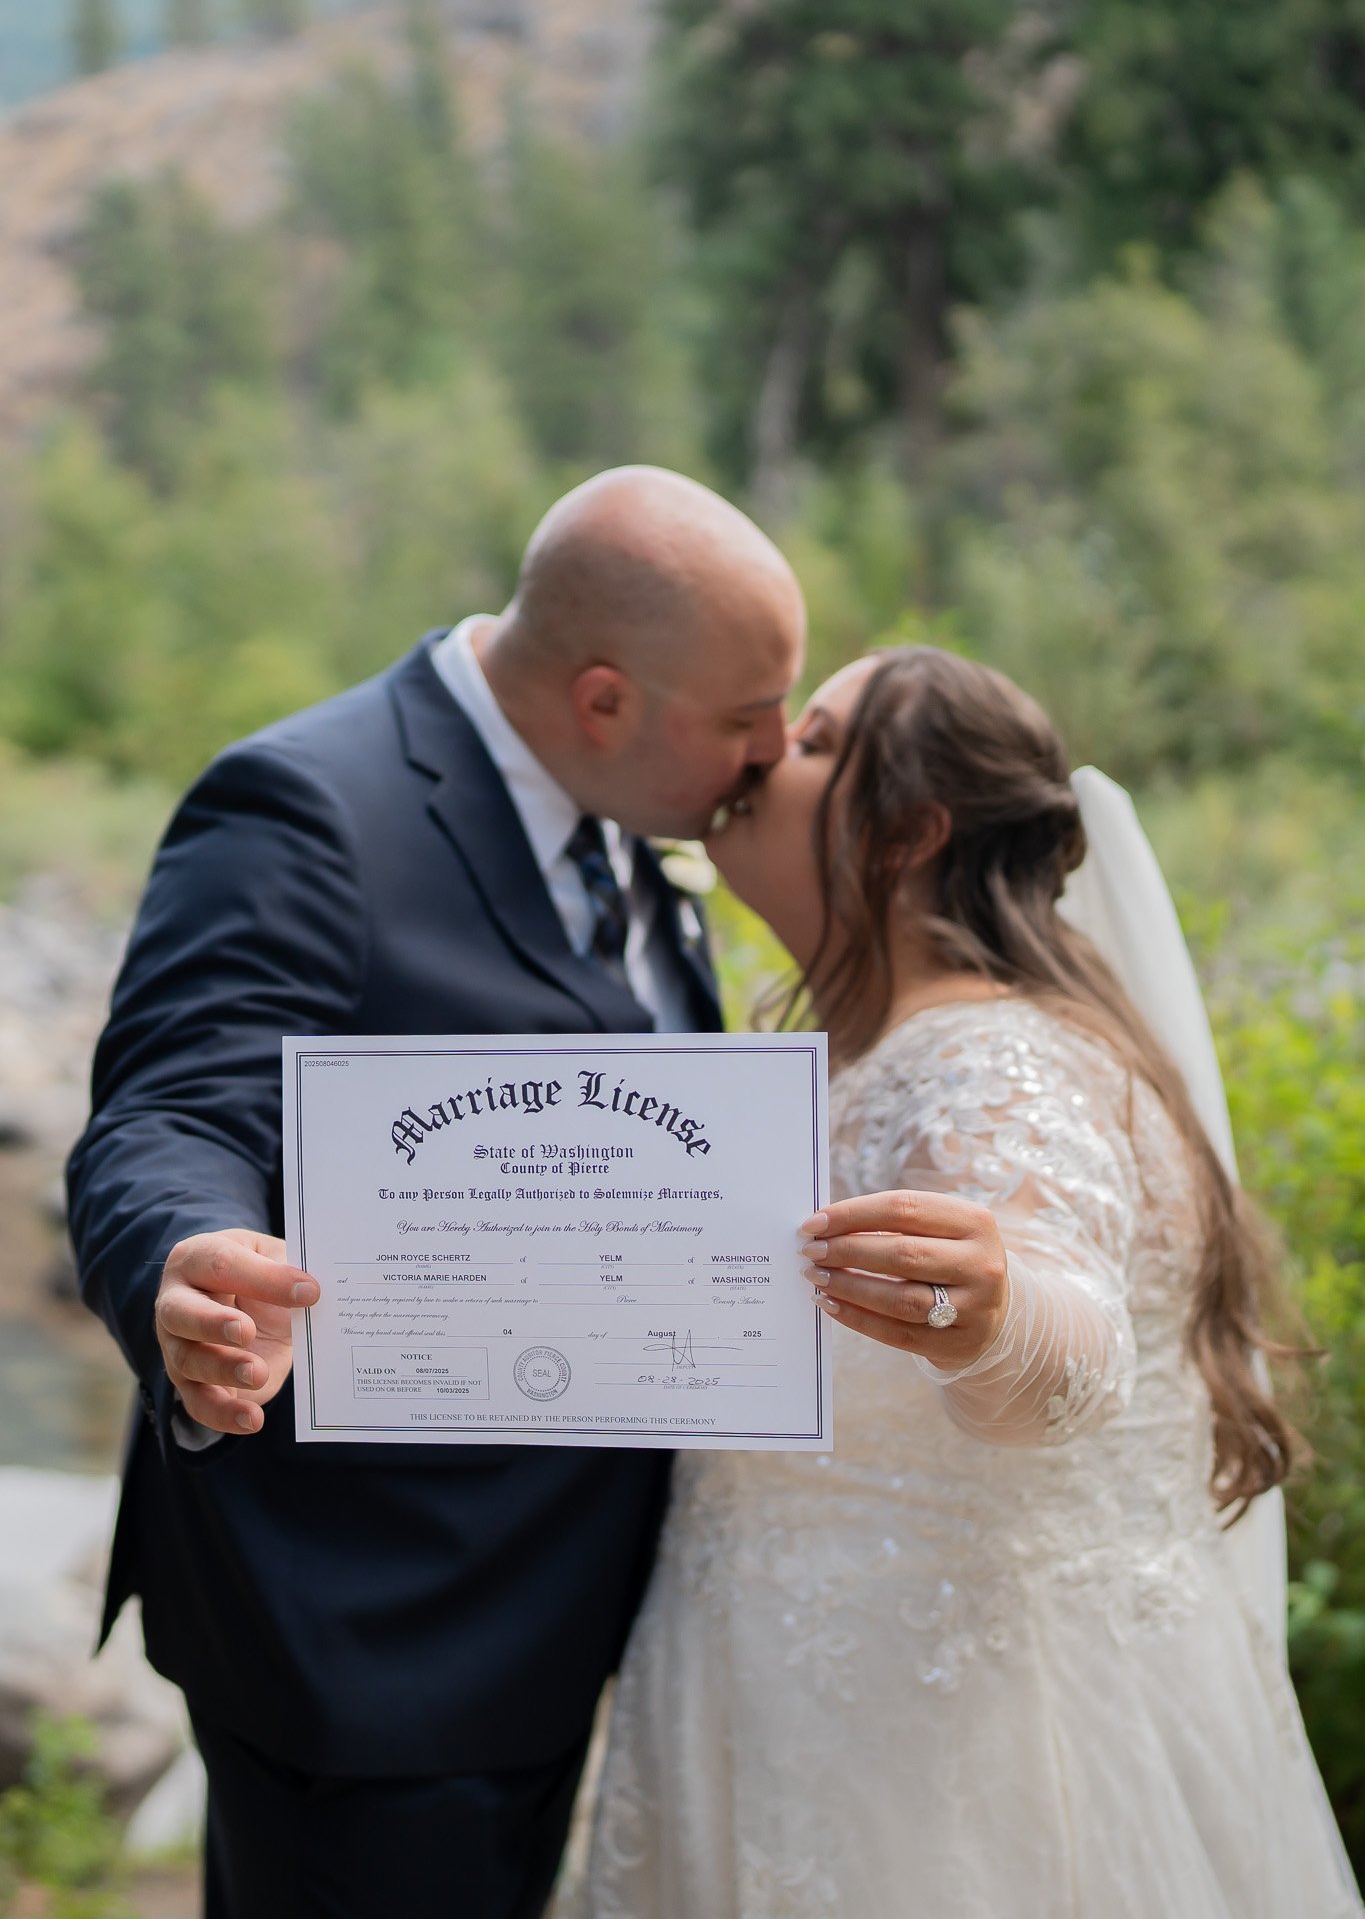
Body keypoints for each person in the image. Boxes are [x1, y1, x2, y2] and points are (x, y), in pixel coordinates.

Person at [65, 465, 806, 1919]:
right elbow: (170, 1106)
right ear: (604, 699)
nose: (775, 751)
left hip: (565, 1606)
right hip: (375, 1621)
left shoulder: (621, 817)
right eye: (744, 717)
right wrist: (189, 1256)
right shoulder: (306, 809)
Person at [578, 646, 1362, 1918]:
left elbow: (1070, 1352)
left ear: (908, 831)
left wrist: (998, 1316)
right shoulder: (878, 1050)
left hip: (932, 1766)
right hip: (787, 1698)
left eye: (818, 737)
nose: (770, 750)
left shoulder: (990, 1061)